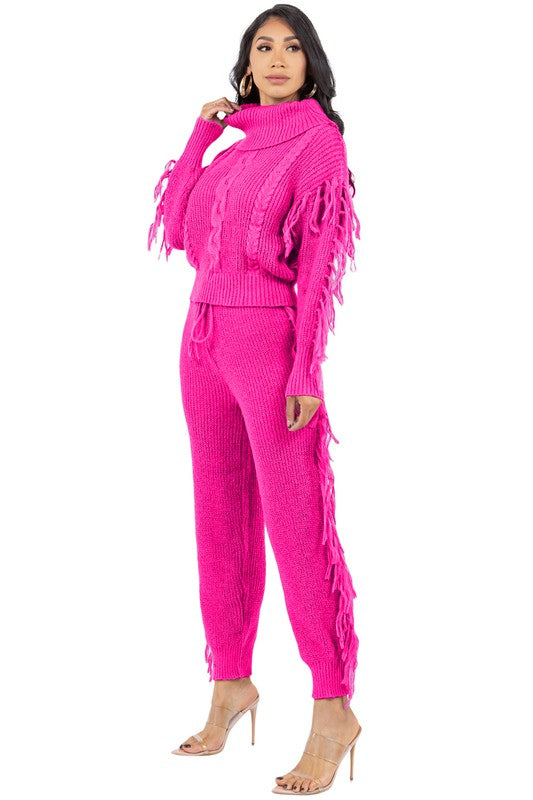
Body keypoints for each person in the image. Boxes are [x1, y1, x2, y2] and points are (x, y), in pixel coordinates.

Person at [147, 6, 363, 794]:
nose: (276, 59)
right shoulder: (234, 145)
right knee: (218, 515)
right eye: (262, 47)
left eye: (291, 48)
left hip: (267, 343)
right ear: (245, 65)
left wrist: (305, 369)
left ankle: (332, 706)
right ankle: (230, 683)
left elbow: (320, 264)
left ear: (310, 65)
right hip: (200, 339)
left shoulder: (318, 143)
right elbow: (179, 234)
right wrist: (199, 135)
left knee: (296, 523)